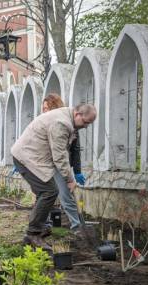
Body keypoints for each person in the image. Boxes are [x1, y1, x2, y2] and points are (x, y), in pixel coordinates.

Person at [11, 103, 97, 251]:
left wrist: (73, 174)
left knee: (44, 192)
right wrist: (70, 179)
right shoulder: (61, 124)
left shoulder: (67, 118)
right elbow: (60, 156)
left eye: (89, 123)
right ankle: (33, 234)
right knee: (49, 192)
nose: (86, 126)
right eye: (85, 122)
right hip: (27, 158)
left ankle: (36, 230)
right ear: (77, 114)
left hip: (33, 158)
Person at [41, 94, 85, 232]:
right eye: (43, 108)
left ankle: (77, 227)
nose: (44, 111)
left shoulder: (68, 124)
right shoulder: (42, 122)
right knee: (44, 195)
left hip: (61, 165)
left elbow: (75, 149)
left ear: (55, 108)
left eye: (47, 108)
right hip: (45, 164)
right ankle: (45, 224)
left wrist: (77, 171)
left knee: (66, 195)